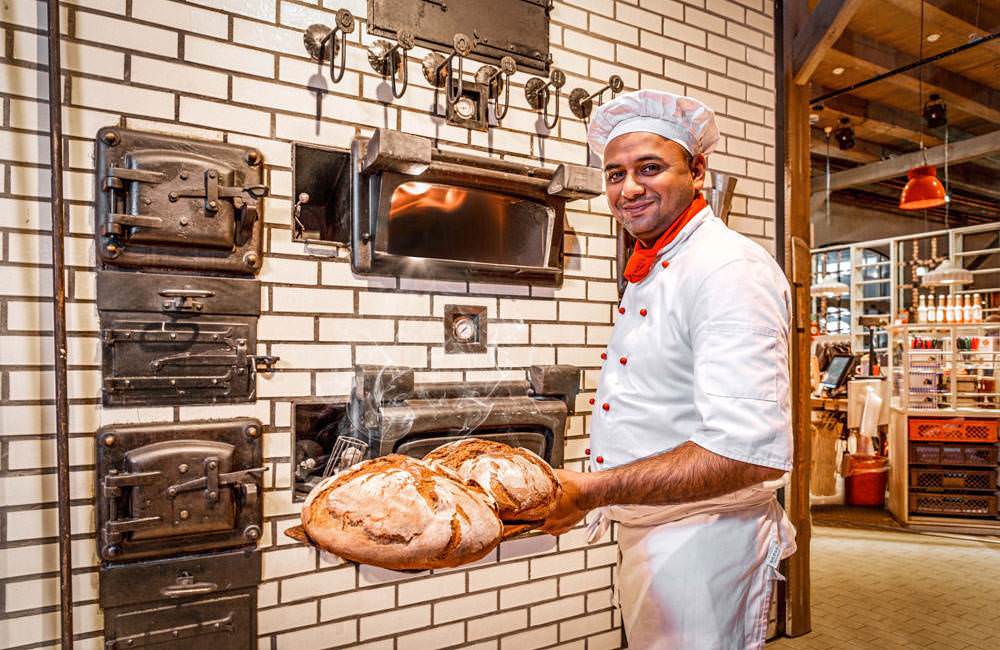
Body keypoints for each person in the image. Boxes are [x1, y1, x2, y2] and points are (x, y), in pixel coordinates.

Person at [540, 90, 797, 649]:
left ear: (698, 170)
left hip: (706, 544)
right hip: (659, 533)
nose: (627, 189)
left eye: (649, 168)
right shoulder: (659, 264)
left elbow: (745, 451)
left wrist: (590, 490)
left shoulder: (727, 270)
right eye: (615, 174)